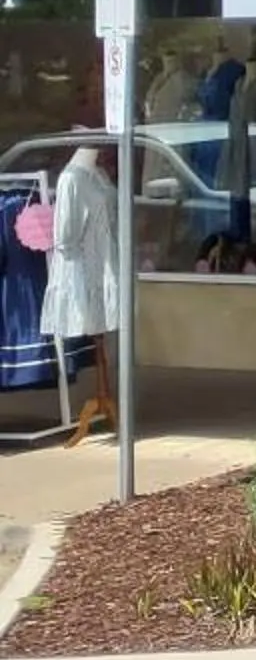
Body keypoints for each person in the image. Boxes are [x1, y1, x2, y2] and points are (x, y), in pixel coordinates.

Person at [40, 142, 120, 443]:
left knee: (105, 331)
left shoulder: (98, 174)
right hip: (85, 265)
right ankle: (100, 399)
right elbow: (65, 235)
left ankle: (107, 397)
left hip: (105, 260)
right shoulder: (71, 178)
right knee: (95, 328)